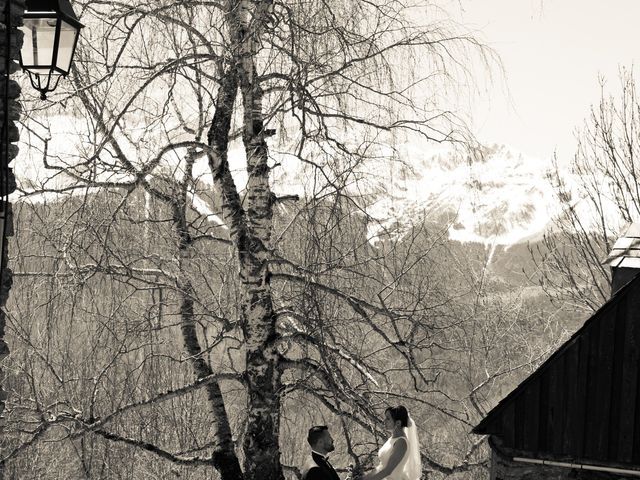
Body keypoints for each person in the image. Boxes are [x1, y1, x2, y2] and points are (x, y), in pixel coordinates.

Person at [359, 406, 422, 480]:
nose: (384, 421)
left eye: (388, 418)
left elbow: (388, 471)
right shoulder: (391, 439)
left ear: (398, 423)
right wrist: (363, 478)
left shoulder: (401, 442)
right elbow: (380, 467)